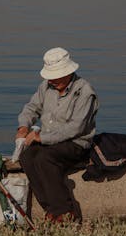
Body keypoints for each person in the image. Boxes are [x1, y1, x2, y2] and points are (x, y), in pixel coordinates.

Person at [16, 47, 98, 223]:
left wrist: (40, 138)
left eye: (56, 77)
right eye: (50, 77)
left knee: (45, 158)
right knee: (27, 156)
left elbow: (76, 128)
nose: (52, 81)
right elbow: (32, 107)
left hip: (76, 144)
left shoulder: (84, 91)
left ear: (69, 72)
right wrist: (23, 126)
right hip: (50, 141)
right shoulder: (46, 86)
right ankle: (51, 209)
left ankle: (65, 212)